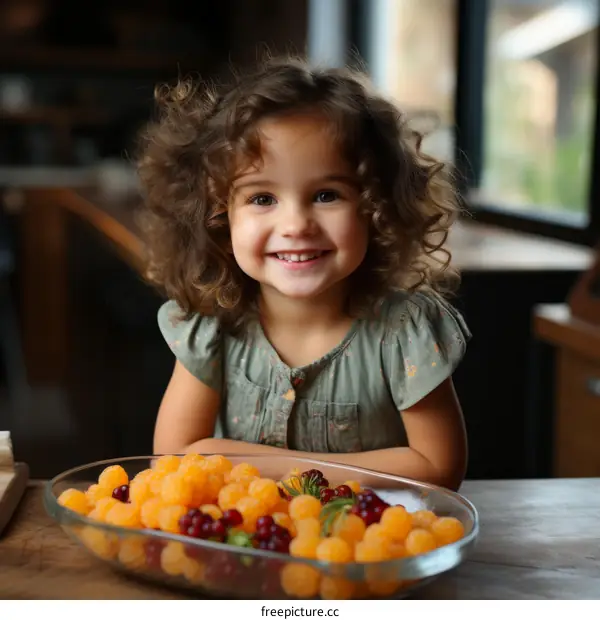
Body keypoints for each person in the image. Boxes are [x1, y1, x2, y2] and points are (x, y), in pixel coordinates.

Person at [135, 56, 471, 491]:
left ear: (377, 209)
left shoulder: (404, 331)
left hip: (366, 551)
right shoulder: (213, 324)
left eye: (326, 195)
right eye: (261, 199)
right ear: (221, 214)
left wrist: (260, 463)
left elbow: (438, 468)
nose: (295, 225)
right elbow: (173, 461)